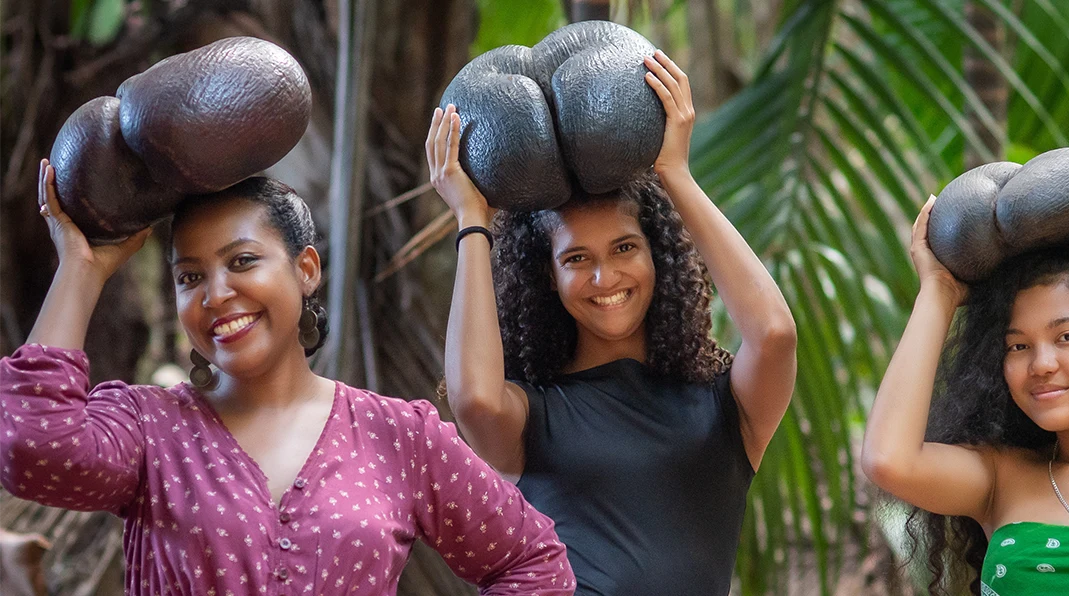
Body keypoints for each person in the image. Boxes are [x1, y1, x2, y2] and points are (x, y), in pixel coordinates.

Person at [0, 161, 576, 595]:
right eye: (189, 276)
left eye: (243, 261)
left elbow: (533, 561)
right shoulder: (149, 429)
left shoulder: (399, 436)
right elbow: (29, 447)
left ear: (305, 269)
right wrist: (81, 265)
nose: (217, 293)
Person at [427, 50, 797, 595]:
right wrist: (471, 220)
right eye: (576, 259)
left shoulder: (723, 403)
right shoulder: (536, 413)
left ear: (659, 255)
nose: (606, 277)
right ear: (547, 277)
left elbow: (774, 335)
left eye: (625, 248)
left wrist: (675, 174)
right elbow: (475, 400)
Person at [862, 195, 1069, 595]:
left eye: (1066, 336)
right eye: (1018, 346)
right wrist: (938, 291)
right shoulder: (1001, 478)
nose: (1041, 364)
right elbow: (888, 461)